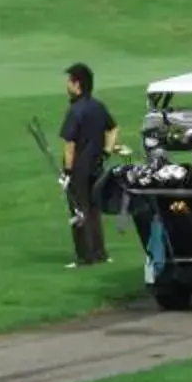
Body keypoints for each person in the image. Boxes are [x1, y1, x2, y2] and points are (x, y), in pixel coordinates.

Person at [59, 63, 115, 267]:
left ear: (77, 84)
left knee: (78, 211)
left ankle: (85, 256)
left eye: (69, 81)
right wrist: (107, 151)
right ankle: (100, 253)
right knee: (93, 210)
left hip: (79, 170)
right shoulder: (98, 106)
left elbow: (70, 145)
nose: (67, 85)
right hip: (97, 166)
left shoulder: (75, 111)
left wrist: (67, 171)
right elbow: (113, 128)